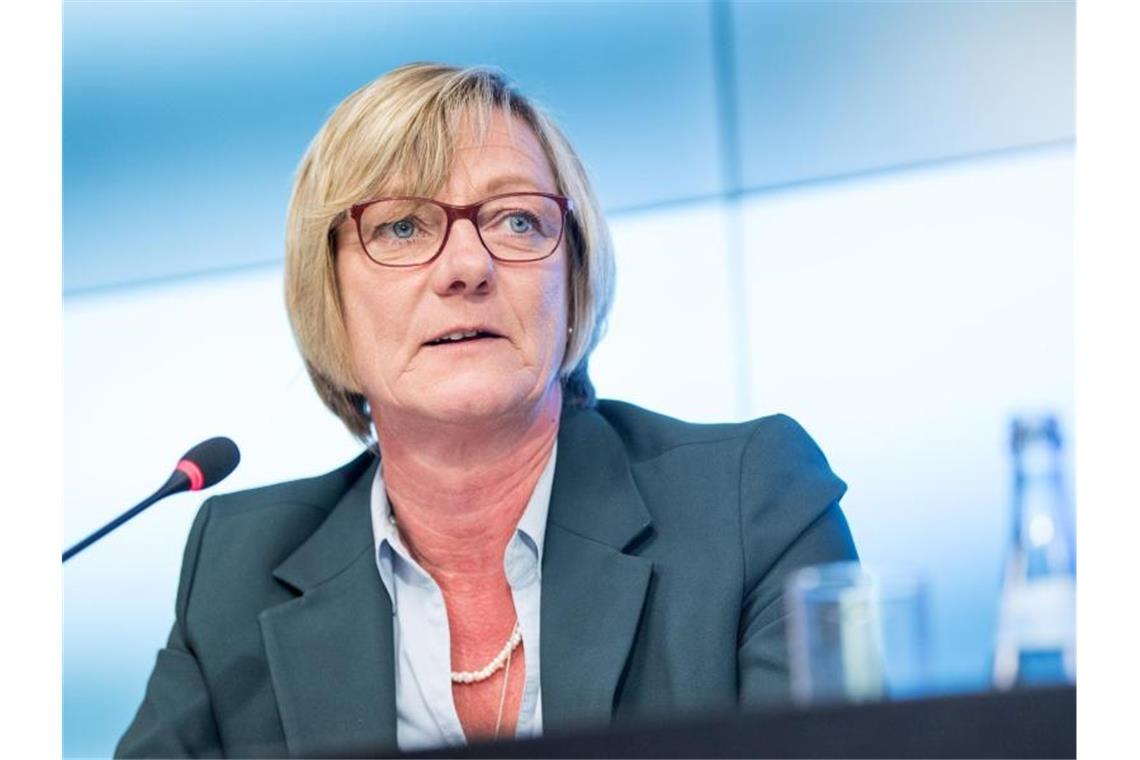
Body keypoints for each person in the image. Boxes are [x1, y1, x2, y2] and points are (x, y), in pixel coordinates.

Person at [116, 63, 857, 758]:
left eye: (516, 222)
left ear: (572, 283)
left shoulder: (748, 505)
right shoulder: (236, 571)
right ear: (330, 300)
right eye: (402, 227)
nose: (467, 267)